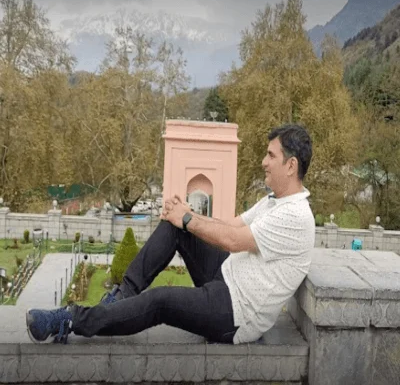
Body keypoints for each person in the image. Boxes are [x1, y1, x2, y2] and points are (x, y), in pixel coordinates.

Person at [26, 123, 315, 345]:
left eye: (271, 155)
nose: (264, 161)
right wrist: (186, 215)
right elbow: (231, 225)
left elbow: (232, 241)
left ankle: (69, 319)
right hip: (226, 276)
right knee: (174, 226)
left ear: (290, 166)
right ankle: (119, 299)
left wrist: (188, 218)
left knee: (160, 301)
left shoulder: (295, 215)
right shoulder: (275, 201)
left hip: (235, 314)